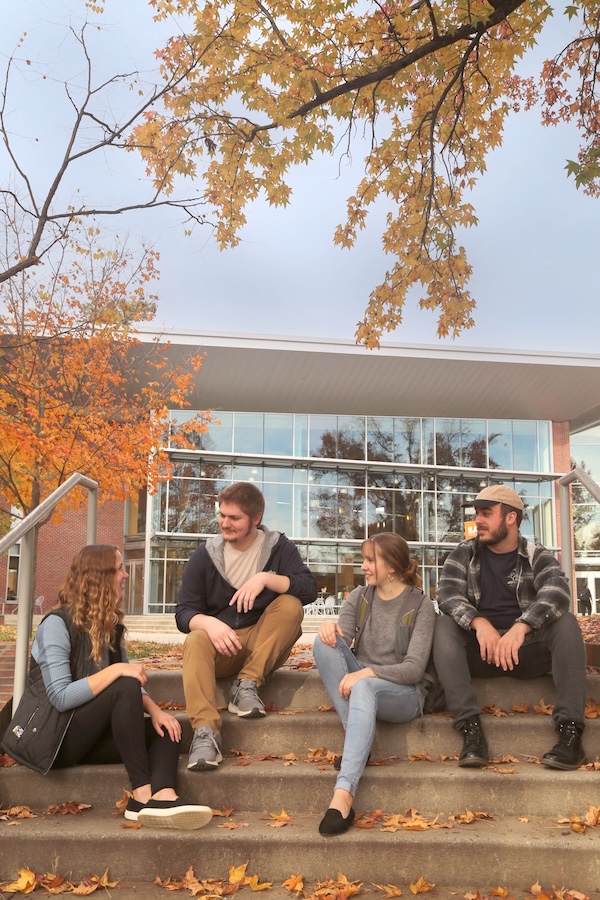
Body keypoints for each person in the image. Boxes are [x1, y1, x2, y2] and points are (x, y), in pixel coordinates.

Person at [1, 545, 212, 831]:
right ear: (100, 577)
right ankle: (141, 796)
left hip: (88, 735)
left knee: (168, 730)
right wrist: (116, 671)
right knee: (123, 682)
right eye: (120, 568)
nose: (125, 574)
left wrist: (156, 711)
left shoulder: (110, 626)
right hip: (52, 740)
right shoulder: (56, 625)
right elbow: (61, 698)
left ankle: (164, 796)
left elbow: (131, 685)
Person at [433, 485, 587, 771]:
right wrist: (480, 624)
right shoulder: (463, 553)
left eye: (486, 513)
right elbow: (447, 594)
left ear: (511, 518)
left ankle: (570, 733)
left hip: (524, 653)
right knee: (443, 626)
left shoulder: (536, 555)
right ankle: (470, 730)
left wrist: (522, 626)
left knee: (566, 622)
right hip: (481, 652)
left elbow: (557, 592)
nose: (478, 520)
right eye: (477, 513)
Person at [176, 482, 317, 771]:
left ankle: (248, 685)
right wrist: (209, 624)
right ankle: (205, 733)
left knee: (290, 605)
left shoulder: (279, 548)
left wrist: (266, 579)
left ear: (256, 518)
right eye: (222, 515)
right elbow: (184, 612)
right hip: (222, 646)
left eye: (234, 518)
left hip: (261, 644)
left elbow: (309, 588)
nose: (225, 523)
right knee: (195, 639)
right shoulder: (205, 555)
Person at [313, 532, 436, 836]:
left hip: (404, 694)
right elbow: (339, 639)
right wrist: (329, 629)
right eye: (364, 559)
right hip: (363, 683)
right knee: (321, 643)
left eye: (370, 560)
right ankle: (360, 742)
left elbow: (413, 669)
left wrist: (366, 674)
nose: (363, 566)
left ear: (392, 566)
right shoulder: (360, 596)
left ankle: (343, 794)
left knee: (364, 686)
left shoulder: (421, 605)